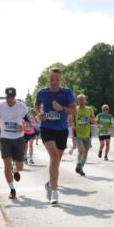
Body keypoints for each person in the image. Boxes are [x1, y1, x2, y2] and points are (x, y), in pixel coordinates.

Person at [36, 68, 77, 205]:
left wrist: (62, 108)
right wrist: (39, 114)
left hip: (61, 130)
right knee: (54, 158)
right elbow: (37, 106)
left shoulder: (66, 93)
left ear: (61, 80)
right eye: (52, 79)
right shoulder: (42, 92)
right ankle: (54, 192)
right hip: (47, 128)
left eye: (57, 79)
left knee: (56, 162)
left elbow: (74, 111)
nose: (54, 82)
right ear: (49, 79)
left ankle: (49, 184)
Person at [0, 88, 29, 200]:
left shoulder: (21, 106)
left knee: (20, 167)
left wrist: (23, 127)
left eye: (11, 97)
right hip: (5, 139)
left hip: (19, 138)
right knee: (6, 164)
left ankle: (15, 170)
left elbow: (30, 122)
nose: (9, 99)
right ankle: (12, 189)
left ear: (15, 96)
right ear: (5, 96)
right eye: (7, 97)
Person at [71, 94, 94, 176]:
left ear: (85, 100)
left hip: (87, 134)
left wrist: (90, 119)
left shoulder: (89, 109)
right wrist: (73, 126)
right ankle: (78, 164)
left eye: (82, 100)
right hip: (78, 134)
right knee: (81, 150)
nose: (81, 102)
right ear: (77, 101)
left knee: (85, 153)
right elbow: (72, 120)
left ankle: (81, 168)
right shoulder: (75, 109)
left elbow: (93, 120)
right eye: (79, 100)